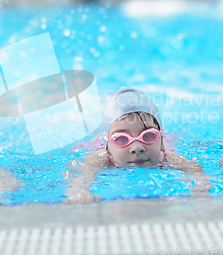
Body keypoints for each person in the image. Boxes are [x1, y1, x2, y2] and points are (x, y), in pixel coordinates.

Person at [64, 87, 212, 203]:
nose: (137, 148)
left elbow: (193, 168)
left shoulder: (165, 157)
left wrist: (200, 185)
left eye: (148, 136)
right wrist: (79, 191)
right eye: (122, 139)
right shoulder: (101, 159)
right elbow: (81, 171)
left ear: (161, 142)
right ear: (107, 147)